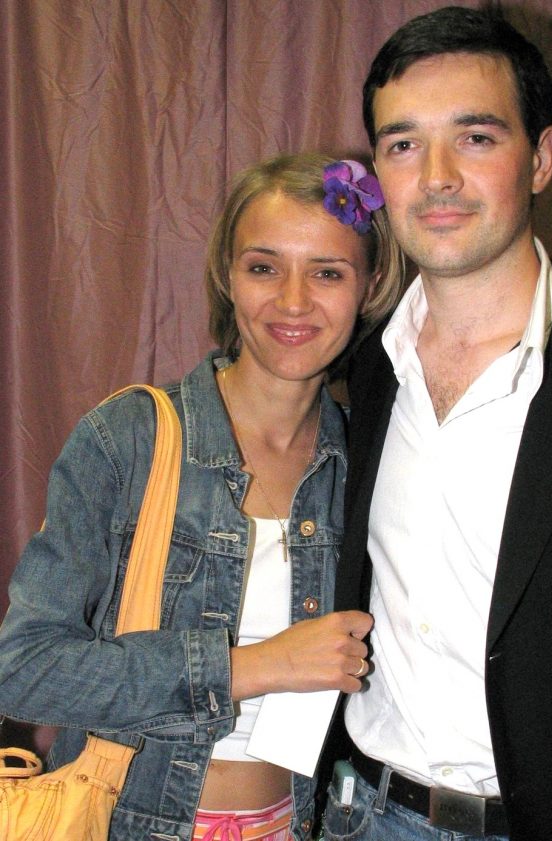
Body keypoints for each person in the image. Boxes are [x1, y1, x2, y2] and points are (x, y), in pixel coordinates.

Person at [322, 7, 552, 841]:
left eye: (476, 137)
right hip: (362, 814)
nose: (437, 176)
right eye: (404, 144)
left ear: (543, 158)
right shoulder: (361, 368)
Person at [0, 152, 404, 841]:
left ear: (369, 287)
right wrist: (252, 666)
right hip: (128, 823)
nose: (294, 301)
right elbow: (24, 669)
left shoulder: (369, 460)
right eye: (264, 267)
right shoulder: (129, 440)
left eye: (328, 272)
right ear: (227, 276)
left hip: (299, 823)